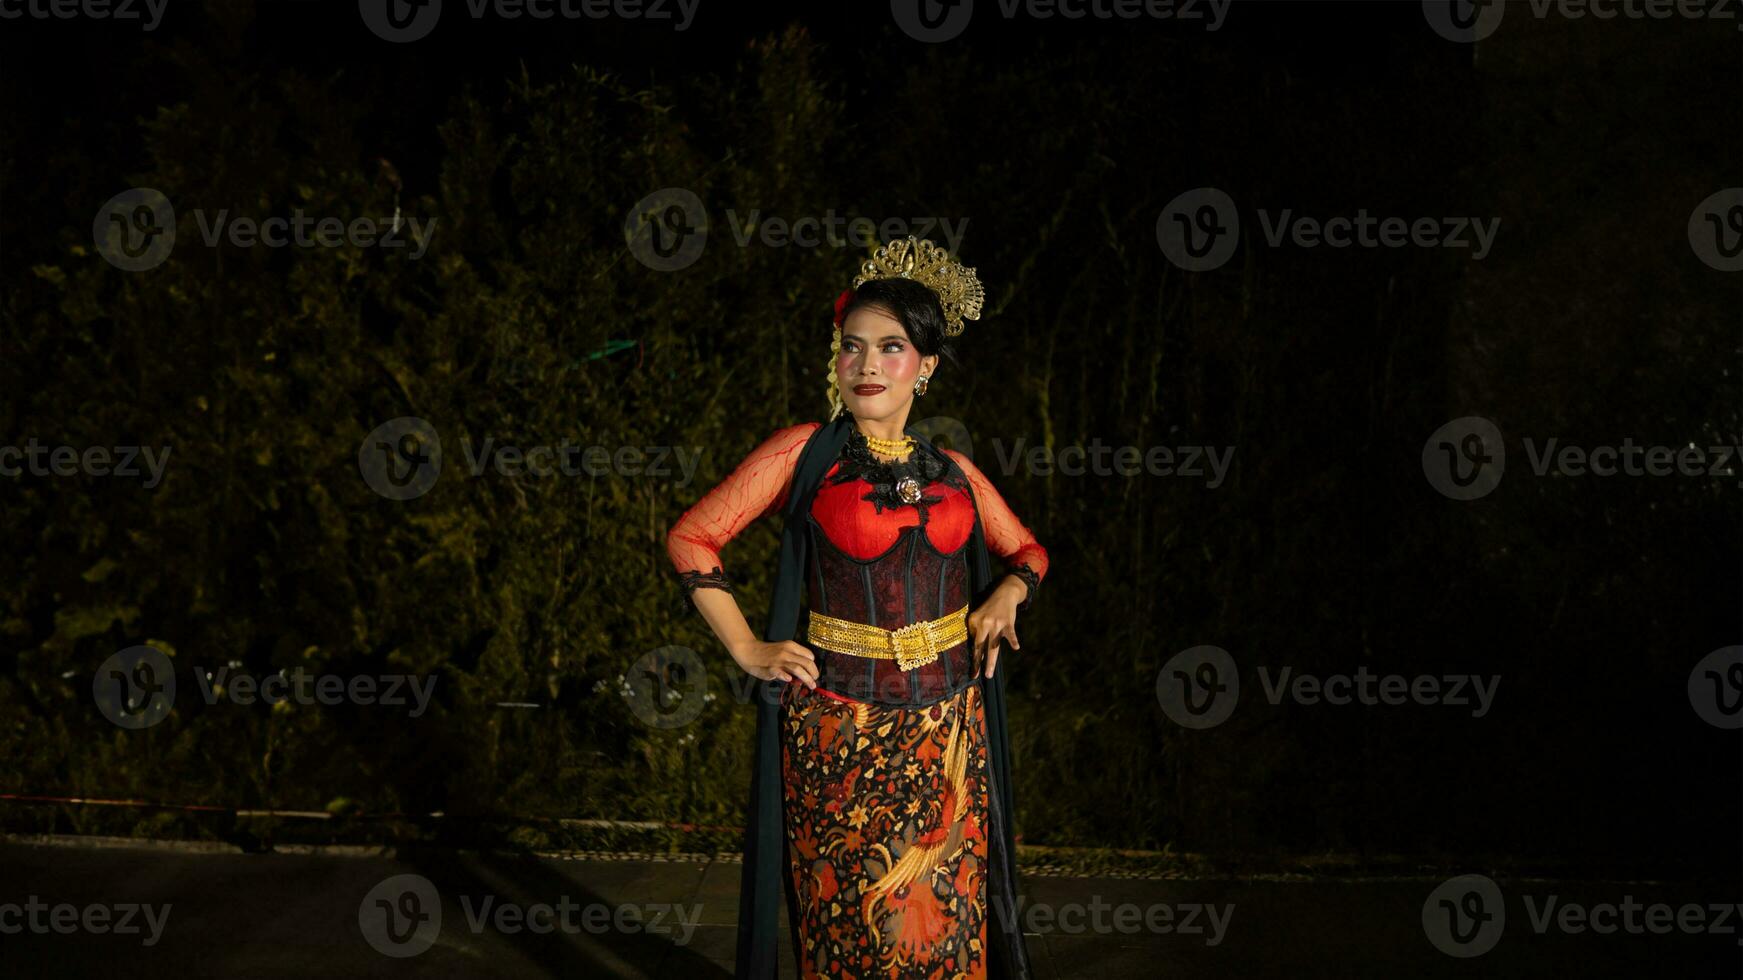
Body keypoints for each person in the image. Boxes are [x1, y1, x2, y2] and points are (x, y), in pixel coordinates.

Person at [666, 236, 1048, 979]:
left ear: (926, 367)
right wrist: (746, 647)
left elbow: (1027, 552)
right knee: (853, 927)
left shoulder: (955, 472)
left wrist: (1006, 594)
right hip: (841, 733)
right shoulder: (804, 453)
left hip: (948, 735)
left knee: (946, 924)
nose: (867, 364)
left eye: (891, 347)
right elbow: (692, 537)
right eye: (852, 347)